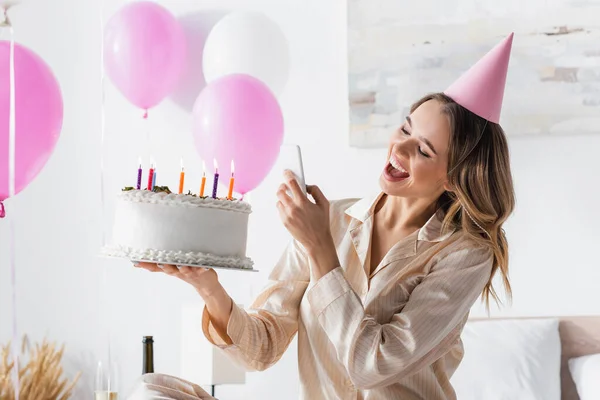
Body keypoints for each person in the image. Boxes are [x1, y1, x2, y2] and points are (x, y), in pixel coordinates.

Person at [130, 33, 516, 400]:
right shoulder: (331, 218)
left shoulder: (465, 253)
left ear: (452, 178)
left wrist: (320, 248)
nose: (400, 146)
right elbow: (260, 350)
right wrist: (209, 288)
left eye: (424, 150)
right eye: (405, 127)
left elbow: (373, 363)